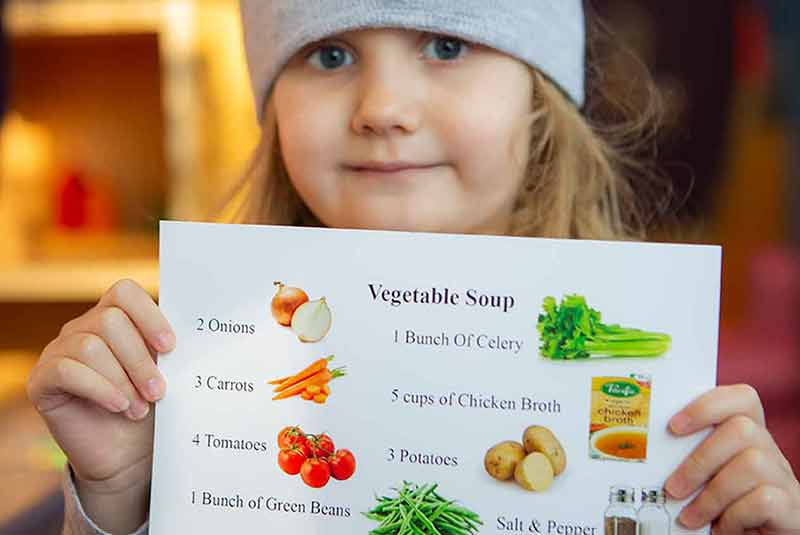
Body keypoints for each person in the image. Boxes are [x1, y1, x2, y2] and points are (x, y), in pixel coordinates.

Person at [26, 2, 800, 534]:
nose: (383, 106)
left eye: (447, 44)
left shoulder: (664, 402)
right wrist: (120, 497)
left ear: (541, 97)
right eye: (330, 54)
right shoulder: (189, 378)